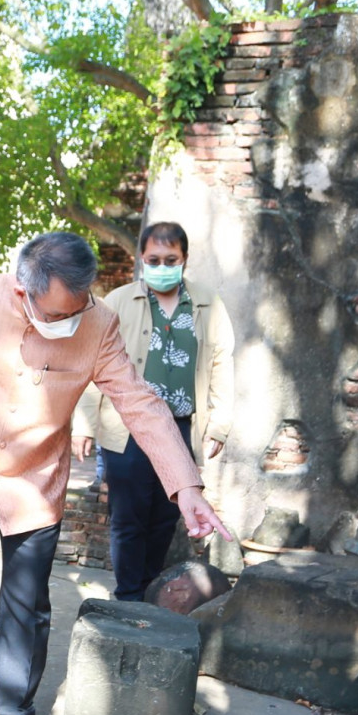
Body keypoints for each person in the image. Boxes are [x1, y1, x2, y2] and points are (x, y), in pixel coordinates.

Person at [0, 232, 231, 715]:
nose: (68, 322)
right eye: (56, 313)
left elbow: (140, 403)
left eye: (77, 309)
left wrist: (187, 485)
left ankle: (16, 713)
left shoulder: (99, 323)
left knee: (28, 605)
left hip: (35, 482)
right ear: (22, 289)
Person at [75, 221, 236, 602]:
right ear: (140, 259)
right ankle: (127, 596)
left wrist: (219, 424)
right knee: (128, 517)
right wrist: (82, 424)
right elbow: (88, 363)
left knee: (165, 517)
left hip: (181, 426)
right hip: (125, 428)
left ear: (184, 260)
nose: (162, 266)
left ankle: (150, 591)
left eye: (170, 259)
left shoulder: (208, 304)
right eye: (153, 260)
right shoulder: (116, 301)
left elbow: (221, 363)